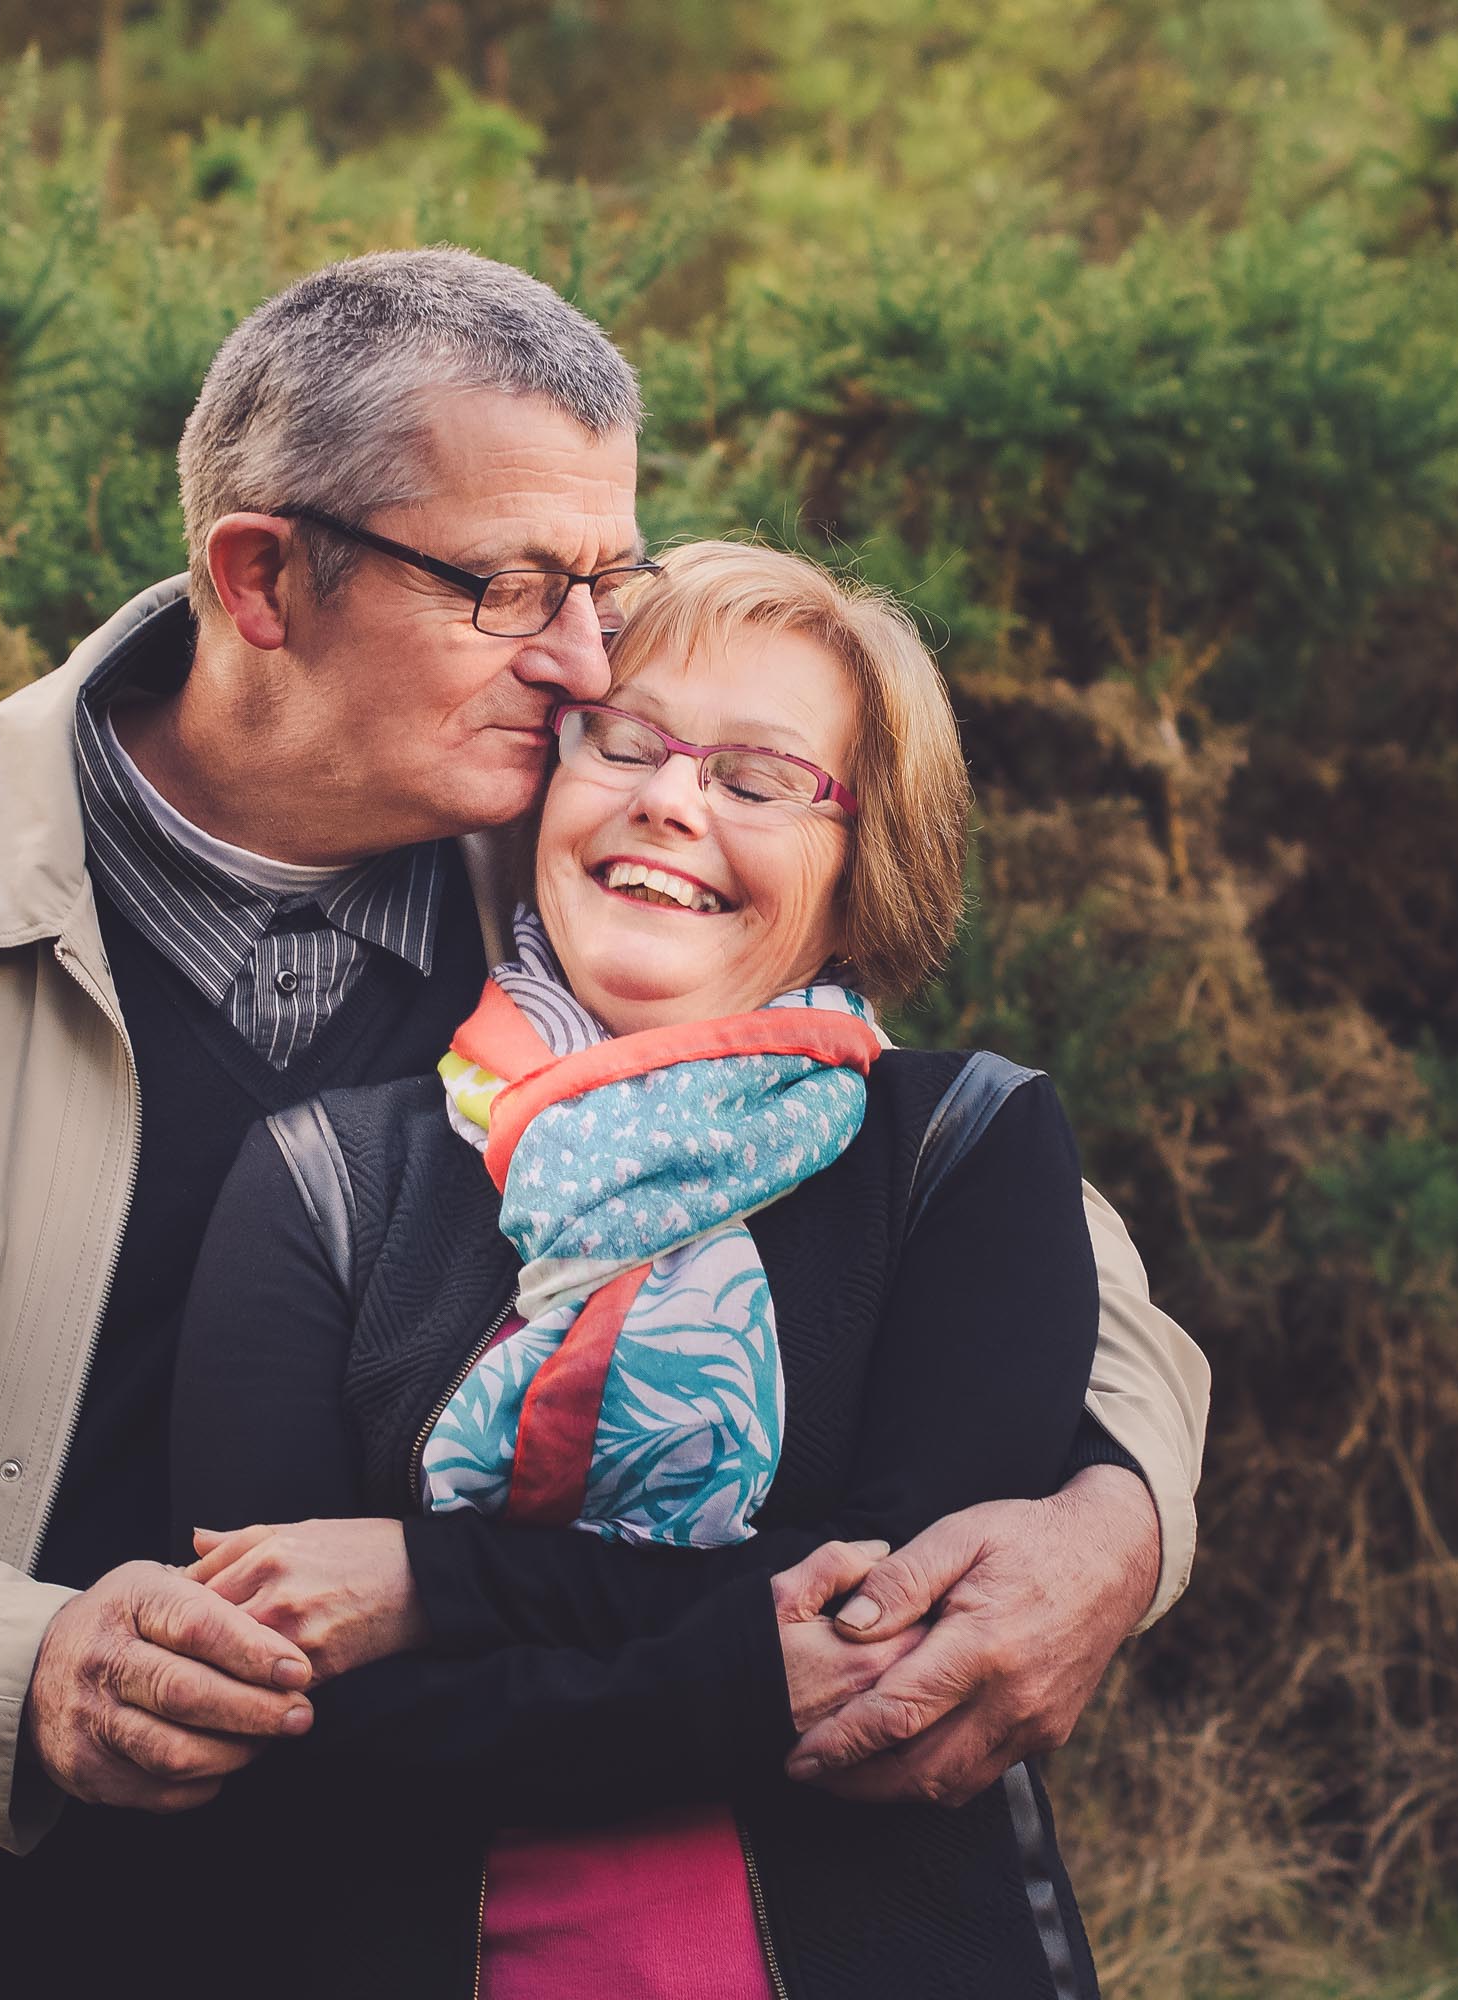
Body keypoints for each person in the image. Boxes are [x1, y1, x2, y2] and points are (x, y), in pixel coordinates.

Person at [0, 249, 1208, 1998]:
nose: (587, 655)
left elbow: (975, 1220)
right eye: (512, 586)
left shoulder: (589, 869)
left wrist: (1116, 1521)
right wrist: (7, 1672)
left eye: (606, 578)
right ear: (262, 578)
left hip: (425, 1920)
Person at [128, 539, 1106, 1996]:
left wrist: (427, 1586)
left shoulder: (957, 1150)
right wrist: (735, 1656)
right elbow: (277, 1706)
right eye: (625, 742)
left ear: (861, 864)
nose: (670, 798)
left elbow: (900, 1658)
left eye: (761, 779)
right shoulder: (334, 1178)